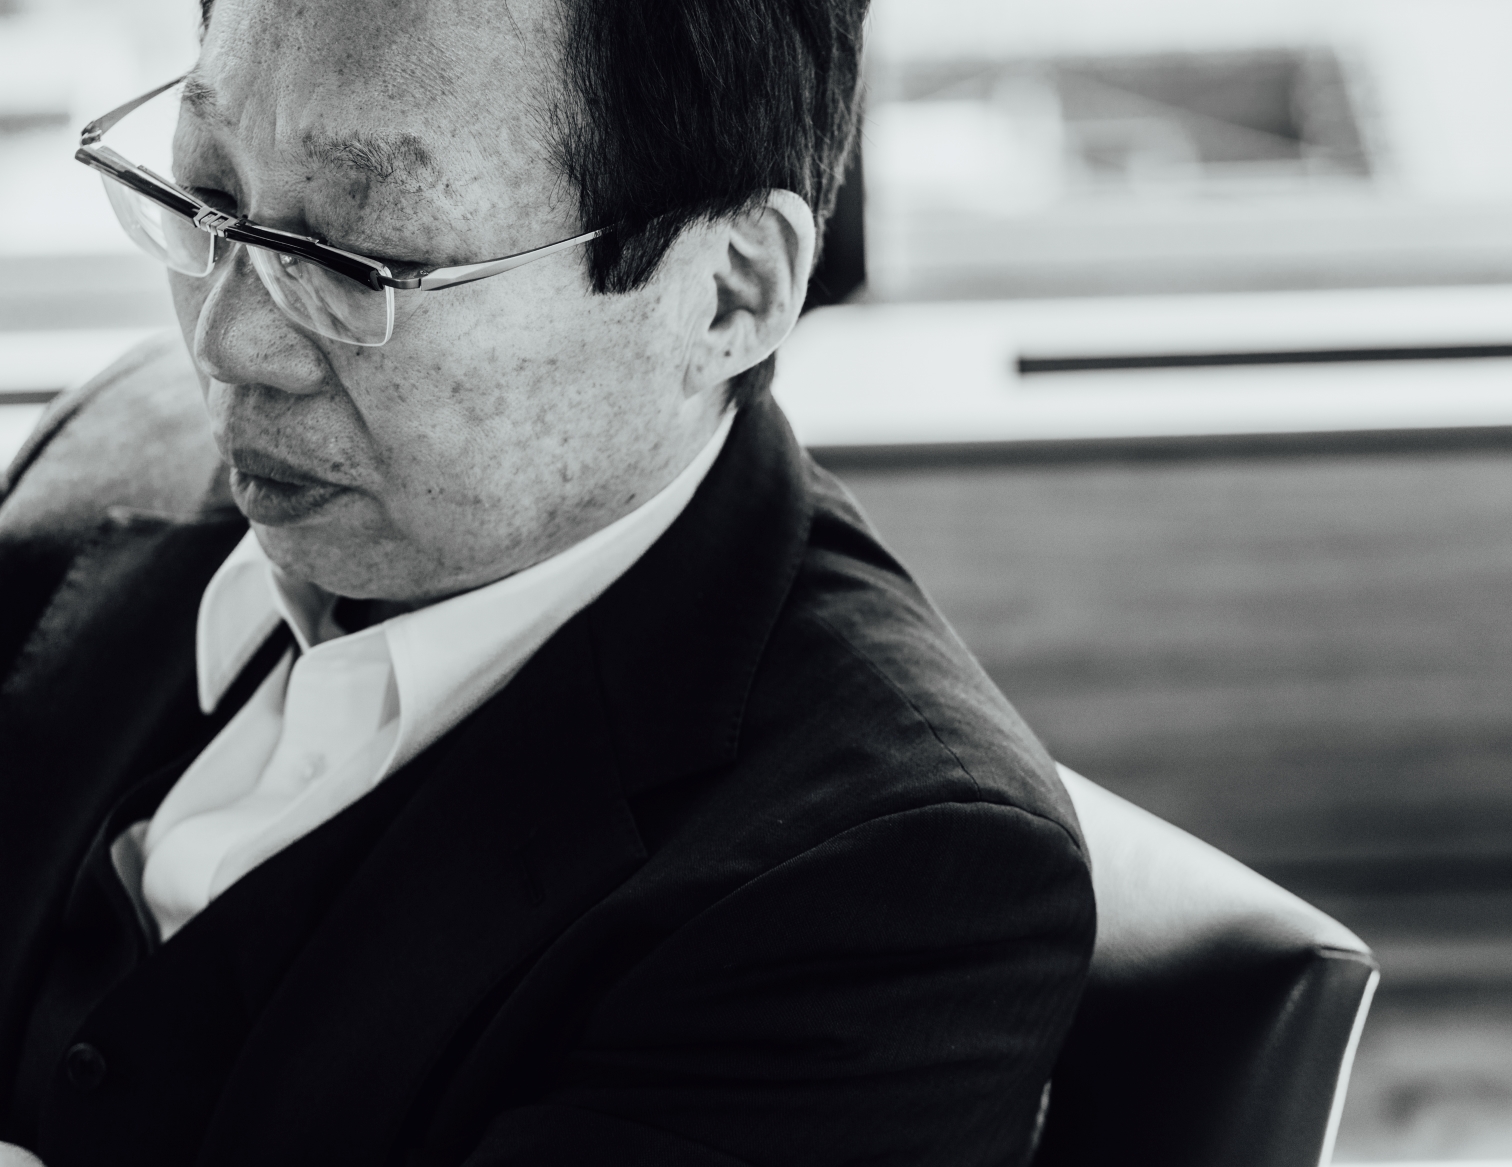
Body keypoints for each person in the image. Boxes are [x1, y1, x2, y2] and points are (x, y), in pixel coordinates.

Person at [0, 0, 1096, 1164]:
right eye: (206, 193)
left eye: (359, 257)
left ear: (728, 291)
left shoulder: (898, 891)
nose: (226, 345)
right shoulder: (106, 452)